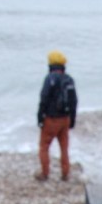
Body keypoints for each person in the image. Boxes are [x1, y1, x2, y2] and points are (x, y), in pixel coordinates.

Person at [36, 50, 77, 181]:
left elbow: (44, 98)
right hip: (65, 118)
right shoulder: (69, 79)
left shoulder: (50, 79)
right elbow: (74, 101)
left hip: (51, 119)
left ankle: (45, 173)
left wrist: (40, 117)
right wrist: (72, 119)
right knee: (64, 148)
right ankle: (65, 174)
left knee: (44, 147)